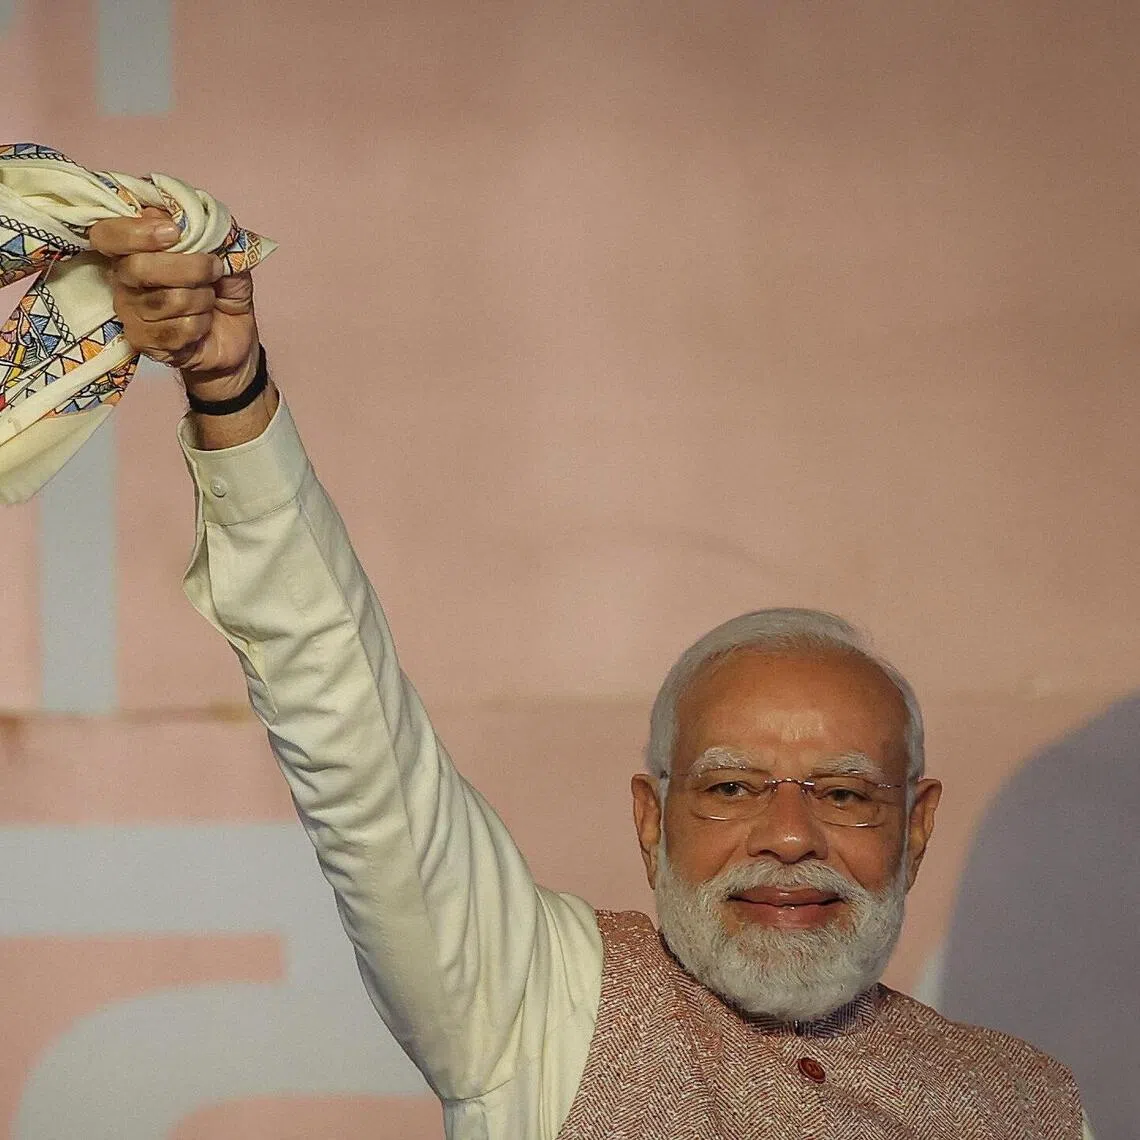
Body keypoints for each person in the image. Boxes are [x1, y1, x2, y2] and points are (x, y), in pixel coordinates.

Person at [88, 210, 1093, 1140]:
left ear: (915, 828)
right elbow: (354, 734)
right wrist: (233, 391)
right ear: (652, 820)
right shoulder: (539, 1001)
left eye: (842, 793)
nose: (789, 837)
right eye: (734, 788)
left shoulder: (1028, 1105)